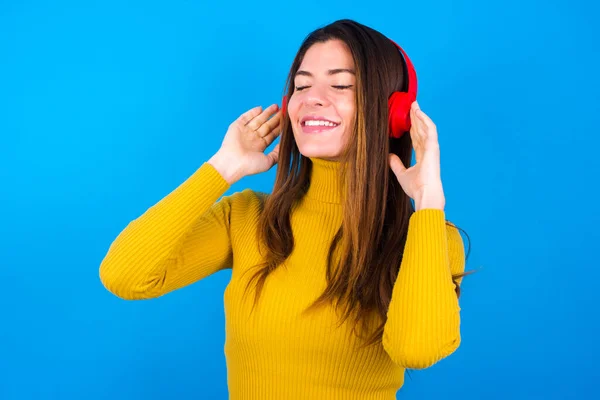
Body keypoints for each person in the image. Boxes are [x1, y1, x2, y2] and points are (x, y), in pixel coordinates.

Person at [99, 18, 471, 400]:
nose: (312, 97)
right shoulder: (246, 218)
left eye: (340, 84)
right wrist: (221, 169)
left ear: (394, 112)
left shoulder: (431, 239)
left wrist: (428, 203)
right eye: (302, 85)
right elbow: (124, 275)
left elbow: (417, 349)